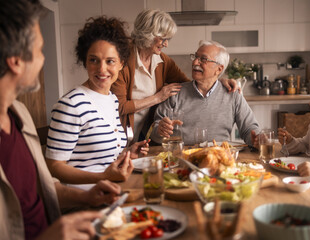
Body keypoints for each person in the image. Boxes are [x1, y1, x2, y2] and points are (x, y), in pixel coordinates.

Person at [0, 1, 122, 239]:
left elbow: (42, 189)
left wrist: (87, 196)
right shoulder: (72, 103)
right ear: (15, 61)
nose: (44, 60)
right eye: (39, 51)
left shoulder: (19, 115)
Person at [45, 16, 150, 191]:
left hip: (109, 192)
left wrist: (127, 154)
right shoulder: (71, 105)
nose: (102, 69)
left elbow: (99, 159)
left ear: (121, 64)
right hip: (81, 200)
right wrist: (103, 177)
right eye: (94, 60)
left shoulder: (111, 99)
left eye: (110, 61)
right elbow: (54, 166)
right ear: (85, 61)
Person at [111, 9, 239, 142]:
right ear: (148, 35)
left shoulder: (162, 61)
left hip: (145, 134)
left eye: (168, 39)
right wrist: (158, 98)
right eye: (163, 39)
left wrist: (217, 80)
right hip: (120, 133)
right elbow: (119, 107)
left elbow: (193, 84)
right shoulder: (122, 61)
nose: (166, 44)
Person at [151, 40, 260, 146]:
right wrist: (160, 131)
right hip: (182, 158)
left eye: (203, 59)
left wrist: (257, 139)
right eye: (195, 57)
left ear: (218, 69)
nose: (195, 62)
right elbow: (155, 133)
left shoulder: (233, 95)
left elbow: (249, 128)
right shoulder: (175, 93)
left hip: (218, 158)